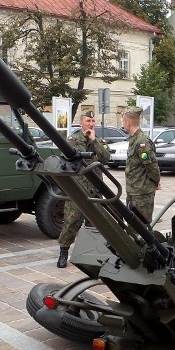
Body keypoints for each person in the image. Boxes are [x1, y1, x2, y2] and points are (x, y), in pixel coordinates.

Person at [56, 110, 111, 268]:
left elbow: (106, 157)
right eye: (88, 121)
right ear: (81, 123)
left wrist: (94, 141)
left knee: (96, 223)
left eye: (93, 121)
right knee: (71, 221)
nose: (91, 124)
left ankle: (93, 254)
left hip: (94, 190)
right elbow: (64, 160)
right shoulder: (72, 140)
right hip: (78, 188)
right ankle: (63, 252)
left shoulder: (98, 141)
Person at [123, 106, 160, 221]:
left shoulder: (142, 142)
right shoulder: (133, 139)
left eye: (123, 121)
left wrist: (156, 181)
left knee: (142, 227)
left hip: (142, 194)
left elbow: (152, 167)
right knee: (133, 227)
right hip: (133, 192)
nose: (122, 124)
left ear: (128, 122)